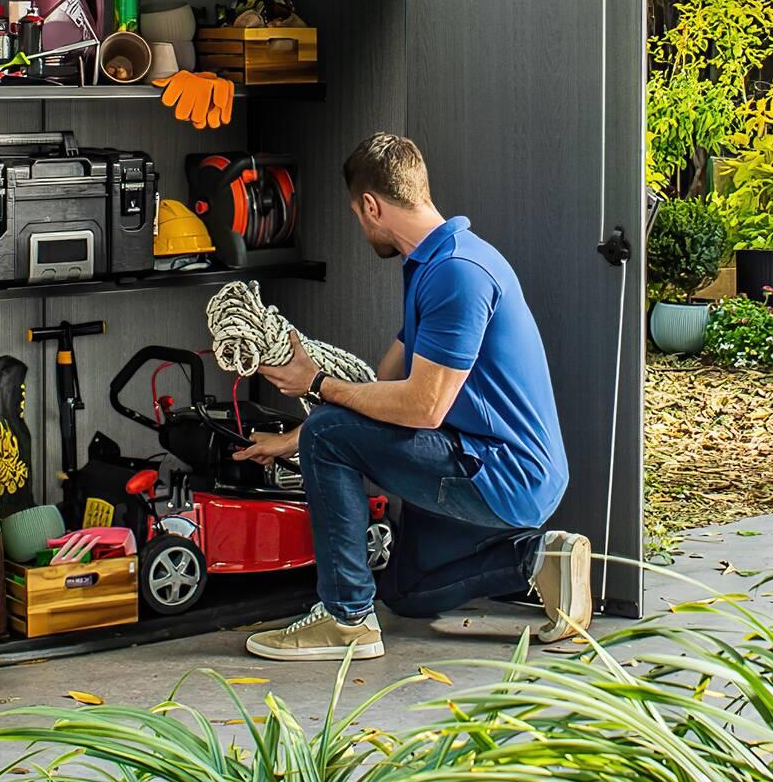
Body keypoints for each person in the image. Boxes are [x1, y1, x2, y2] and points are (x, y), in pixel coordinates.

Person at [233, 132, 593, 662]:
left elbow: (423, 408)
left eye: (358, 215)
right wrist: (297, 437)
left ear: (372, 206)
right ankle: (540, 559)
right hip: (483, 455)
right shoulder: (436, 259)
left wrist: (315, 387)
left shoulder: (457, 275)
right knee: (406, 592)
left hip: (504, 471)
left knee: (332, 432)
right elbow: (385, 381)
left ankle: (346, 620)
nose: (361, 227)